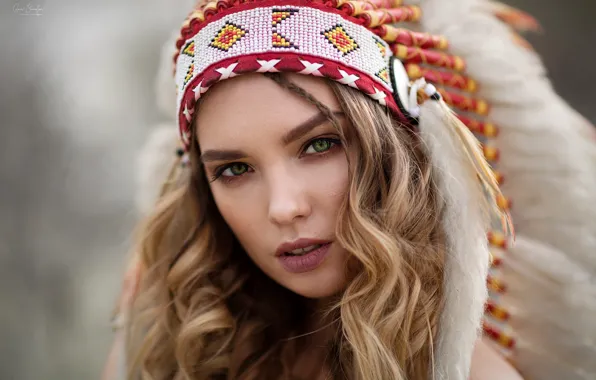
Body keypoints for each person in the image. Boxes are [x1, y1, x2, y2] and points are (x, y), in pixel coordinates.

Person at [102, 0, 596, 379]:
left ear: (408, 153)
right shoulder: (179, 348)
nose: (284, 207)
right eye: (234, 169)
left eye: (320, 144)